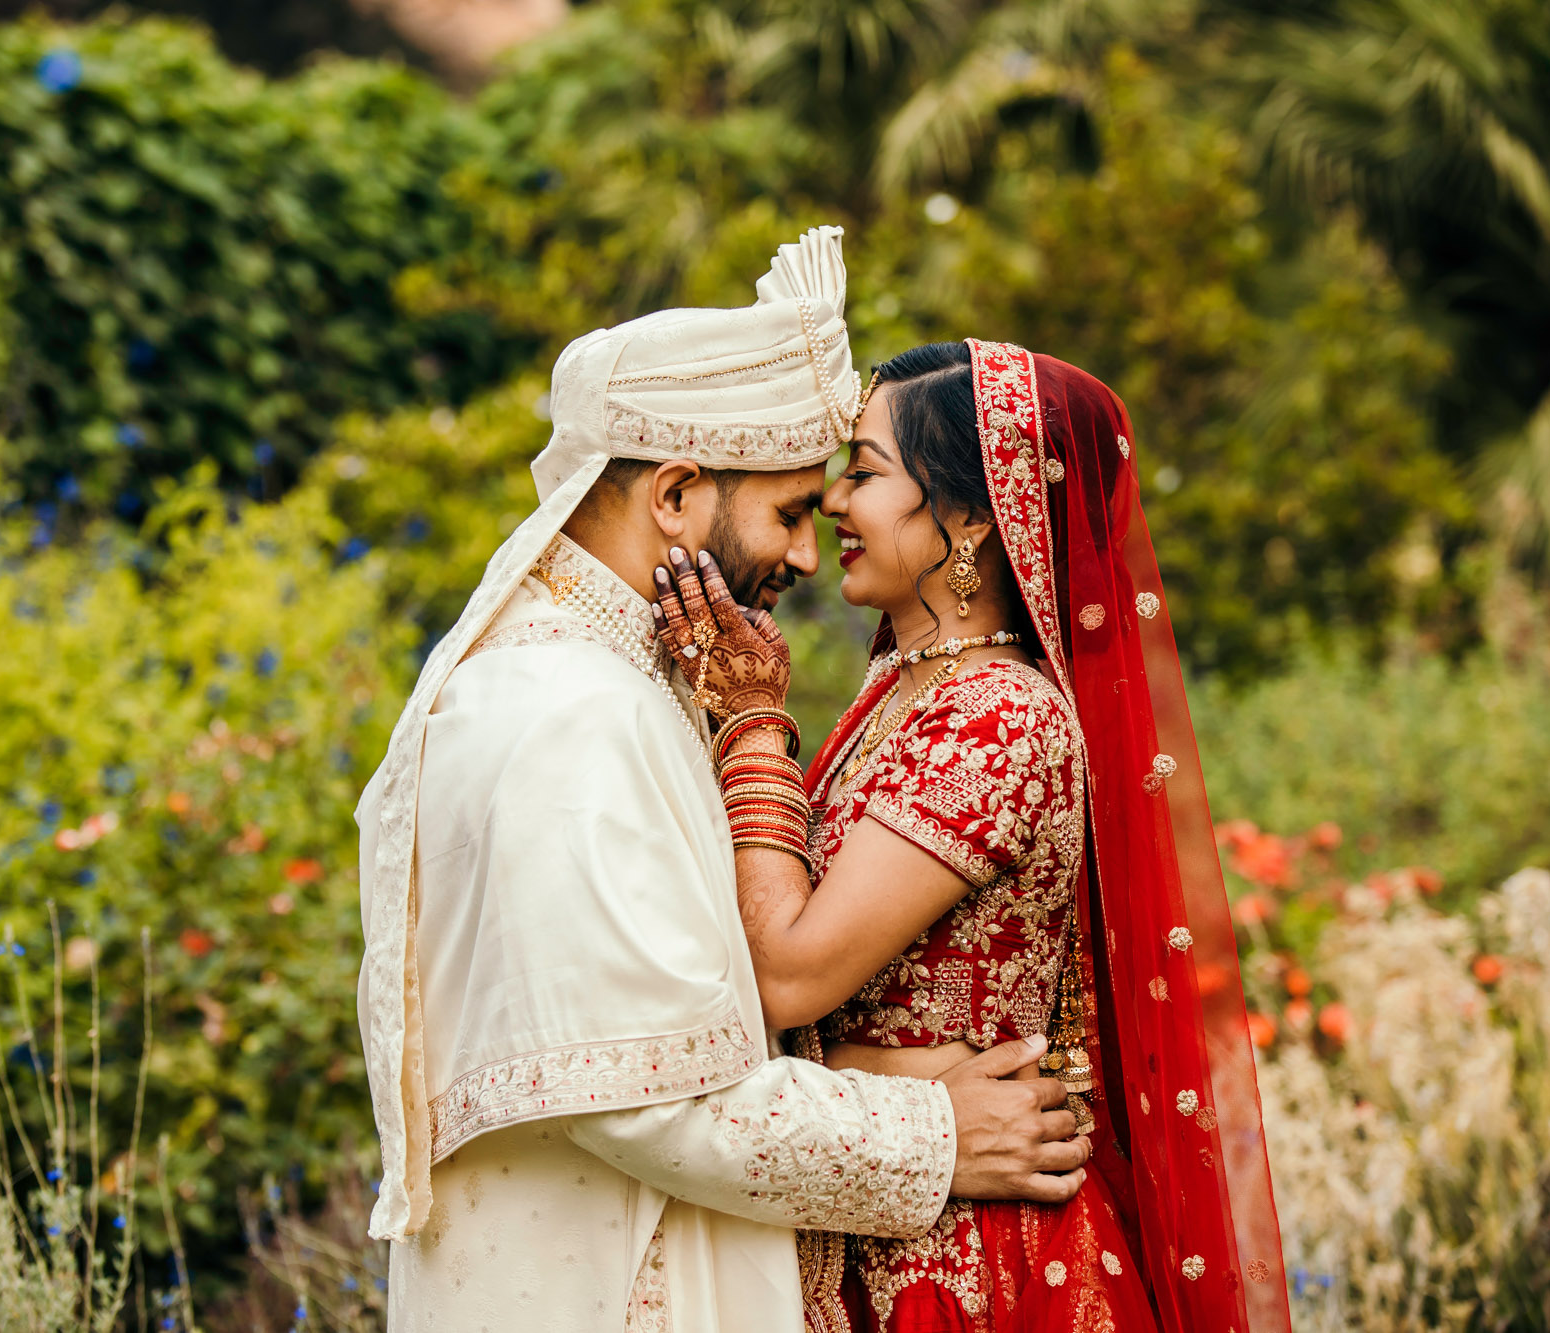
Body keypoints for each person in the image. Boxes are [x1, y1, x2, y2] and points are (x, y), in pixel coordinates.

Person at [354, 239, 1095, 1333]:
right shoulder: (571, 714)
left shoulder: (624, 684)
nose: (806, 553)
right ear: (675, 495)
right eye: (792, 510)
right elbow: (654, 1094)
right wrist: (934, 1133)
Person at [652, 340, 1294, 1331]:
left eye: (862, 473)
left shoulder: (995, 715)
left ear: (968, 520)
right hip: (891, 1203)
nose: (829, 503)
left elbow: (787, 974)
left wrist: (748, 724)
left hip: (965, 1261)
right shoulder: (901, 691)